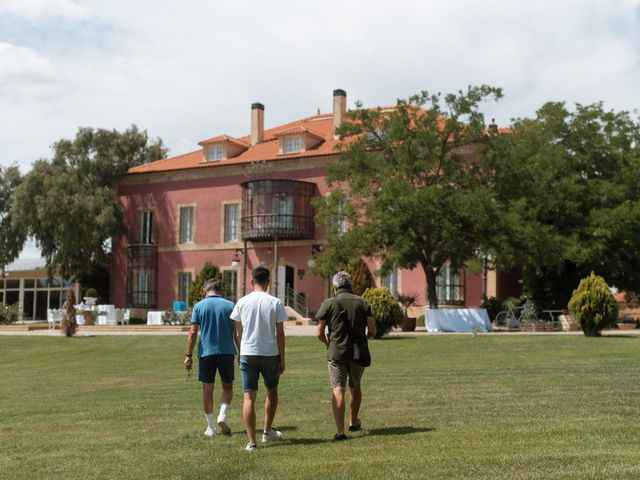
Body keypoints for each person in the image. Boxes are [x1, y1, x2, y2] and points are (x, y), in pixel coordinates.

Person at [231, 266, 287, 451]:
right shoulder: (275, 302)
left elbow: (237, 332)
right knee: (272, 391)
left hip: (248, 352)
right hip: (270, 352)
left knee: (249, 397)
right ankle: (266, 431)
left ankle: (251, 442)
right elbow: (280, 333)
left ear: (251, 281)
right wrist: (282, 358)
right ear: (268, 281)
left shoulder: (242, 302)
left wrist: (241, 351)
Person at [316, 271, 376, 440]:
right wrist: (364, 339)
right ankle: (353, 421)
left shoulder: (328, 303)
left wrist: (328, 343)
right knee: (355, 386)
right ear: (350, 285)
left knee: (338, 389)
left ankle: (340, 431)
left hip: (336, 353)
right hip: (357, 353)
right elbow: (372, 330)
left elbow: (320, 332)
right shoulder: (363, 303)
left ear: (335, 286)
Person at [184, 279, 237, 437]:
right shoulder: (230, 305)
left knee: (208, 391)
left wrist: (188, 355)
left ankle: (210, 427)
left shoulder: (199, 306)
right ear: (221, 289)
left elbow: (193, 333)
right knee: (227, 386)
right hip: (227, 351)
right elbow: (237, 332)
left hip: (206, 352)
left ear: (204, 290)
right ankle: (223, 415)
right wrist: (241, 352)